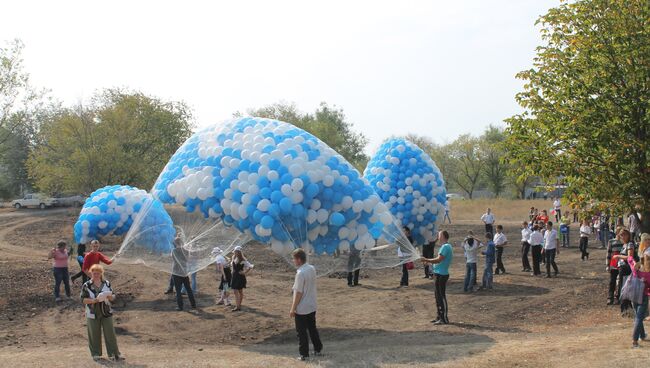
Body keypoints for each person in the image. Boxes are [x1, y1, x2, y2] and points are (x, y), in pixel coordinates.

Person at [81, 264, 121, 361]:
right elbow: (83, 300)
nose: (96, 275)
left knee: (110, 333)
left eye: (98, 273)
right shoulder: (86, 285)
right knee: (94, 333)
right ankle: (96, 354)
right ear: (91, 273)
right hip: (92, 312)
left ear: (101, 273)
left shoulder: (107, 283)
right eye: (94, 273)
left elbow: (113, 296)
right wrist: (94, 300)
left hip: (106, 312)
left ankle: (114, 354)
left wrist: (111, 297)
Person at [289, 248, 323, 361]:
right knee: (312, 328)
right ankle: (318, 349)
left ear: (299, 259)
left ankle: (304, 354)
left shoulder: (300, 273)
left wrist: (293, 308)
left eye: (294, 259)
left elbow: (298, 292)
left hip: (302, 308)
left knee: (301, 332)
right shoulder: (311, 268)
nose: (293, 261)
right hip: (312, 304)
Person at [612, 252, 650, 348]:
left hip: (633, 295)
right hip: (643, 297)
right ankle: (634, 341)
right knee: (639, 317)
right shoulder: (648, 274)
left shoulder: (634, 266)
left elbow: (628, 257)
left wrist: (617, 256)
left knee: (637, 316)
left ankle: (642, 335)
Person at [421, 230, 453, 325]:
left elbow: (439, 260)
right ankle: (439, 316)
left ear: (443, 237)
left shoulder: (446, 247)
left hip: (442, 275)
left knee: (441, 296)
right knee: (437, 296)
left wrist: (427, 259)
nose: (438, 238)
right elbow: (439, 261)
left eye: (439, 236)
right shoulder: (445, 247)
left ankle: (444, 318)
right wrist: (429, 262)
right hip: (438, 273)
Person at [171, 237, 196, 311]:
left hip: (176, 272)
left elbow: (173, 259)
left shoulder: (174, 251)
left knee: (178, 291)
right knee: (188, 289)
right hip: (184, 272)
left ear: (175, 243)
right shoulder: (186, 251)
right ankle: (193, 305)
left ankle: (180, 307)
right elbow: (187, 260)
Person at [618, 230, 638, 317]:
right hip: (623, 268)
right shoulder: (625, 245)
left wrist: (617, 256)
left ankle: (626, 310)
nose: (622, 236)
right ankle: (626, 309)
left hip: (627, 269)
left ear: (628, 235)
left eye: (624, 235)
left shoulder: (630, 244)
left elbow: (629, 257)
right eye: (621, 235)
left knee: (624, 289)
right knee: (623, 288)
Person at [231, 246, 254, 311]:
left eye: (236, 251)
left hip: (240, 277)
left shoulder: (243, 260)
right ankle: (238, 306)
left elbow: (250, 266)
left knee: (238, 291)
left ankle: (238, 306)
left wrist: (244, 272)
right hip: (234, 276)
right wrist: (232, 270)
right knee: (236, 291)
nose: (235, 252)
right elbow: (233, 265)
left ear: (239, 252)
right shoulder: (233, 257)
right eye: (234, 251)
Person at [606, 229, 625, 305]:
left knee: (620, 282)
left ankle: (618, 297)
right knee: (612, 281)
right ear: (616, 233)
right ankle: (610, 298)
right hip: (613, 264)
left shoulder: (624, 243)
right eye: (620, 233)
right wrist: (607, 265)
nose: (621, 235)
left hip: (622, 265)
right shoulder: (611, 242)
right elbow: (608, 253)